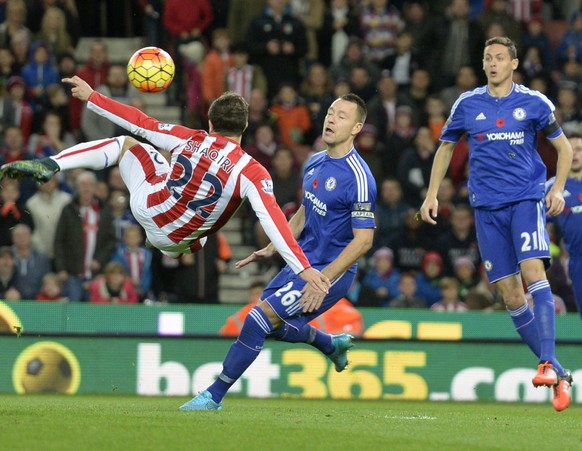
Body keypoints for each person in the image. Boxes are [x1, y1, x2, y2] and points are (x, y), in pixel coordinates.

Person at [0, 75, 330, 302]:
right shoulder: (253, 171)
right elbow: (272, 220)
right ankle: (176, 241)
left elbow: (139, 121)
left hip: (149, 206)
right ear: (245, 126)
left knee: (125, 143)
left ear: (210, 123)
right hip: (180, 241)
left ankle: (53, 164)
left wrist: (92, 97)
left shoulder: (189, 137)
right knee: (201, 233)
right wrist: (303, 268)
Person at [179, 93, 376, 411]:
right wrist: (274, 247)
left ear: (357, 127)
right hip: (302, 263)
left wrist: (322, 279)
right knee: (270, 325)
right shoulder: (314, 162)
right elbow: (304, 211)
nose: (330, 119)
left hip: (330, 272)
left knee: (257, 320)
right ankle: (330, 344)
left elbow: (364, 241)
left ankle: (212, 396)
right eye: (329, 112)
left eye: (341, 116)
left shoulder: (359, 177)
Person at [419, 36, 573, 412]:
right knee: (509, 295)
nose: (492, 64)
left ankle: (545, 364)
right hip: (485, 208)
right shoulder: (468, 104)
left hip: (524, 200)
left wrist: (558, 190)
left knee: (534, 270)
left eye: (500, 58)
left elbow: (565, 149)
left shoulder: (534, 103)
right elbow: (446, 147)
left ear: (513, 63)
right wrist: (431, 193)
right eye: (488, 57)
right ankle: (559, 372)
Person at [546, 134, 582, 317]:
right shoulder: (553, 188)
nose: (574, 154)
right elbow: (536, 221)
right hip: (578, 262)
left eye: (579, 150)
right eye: (570, 150)